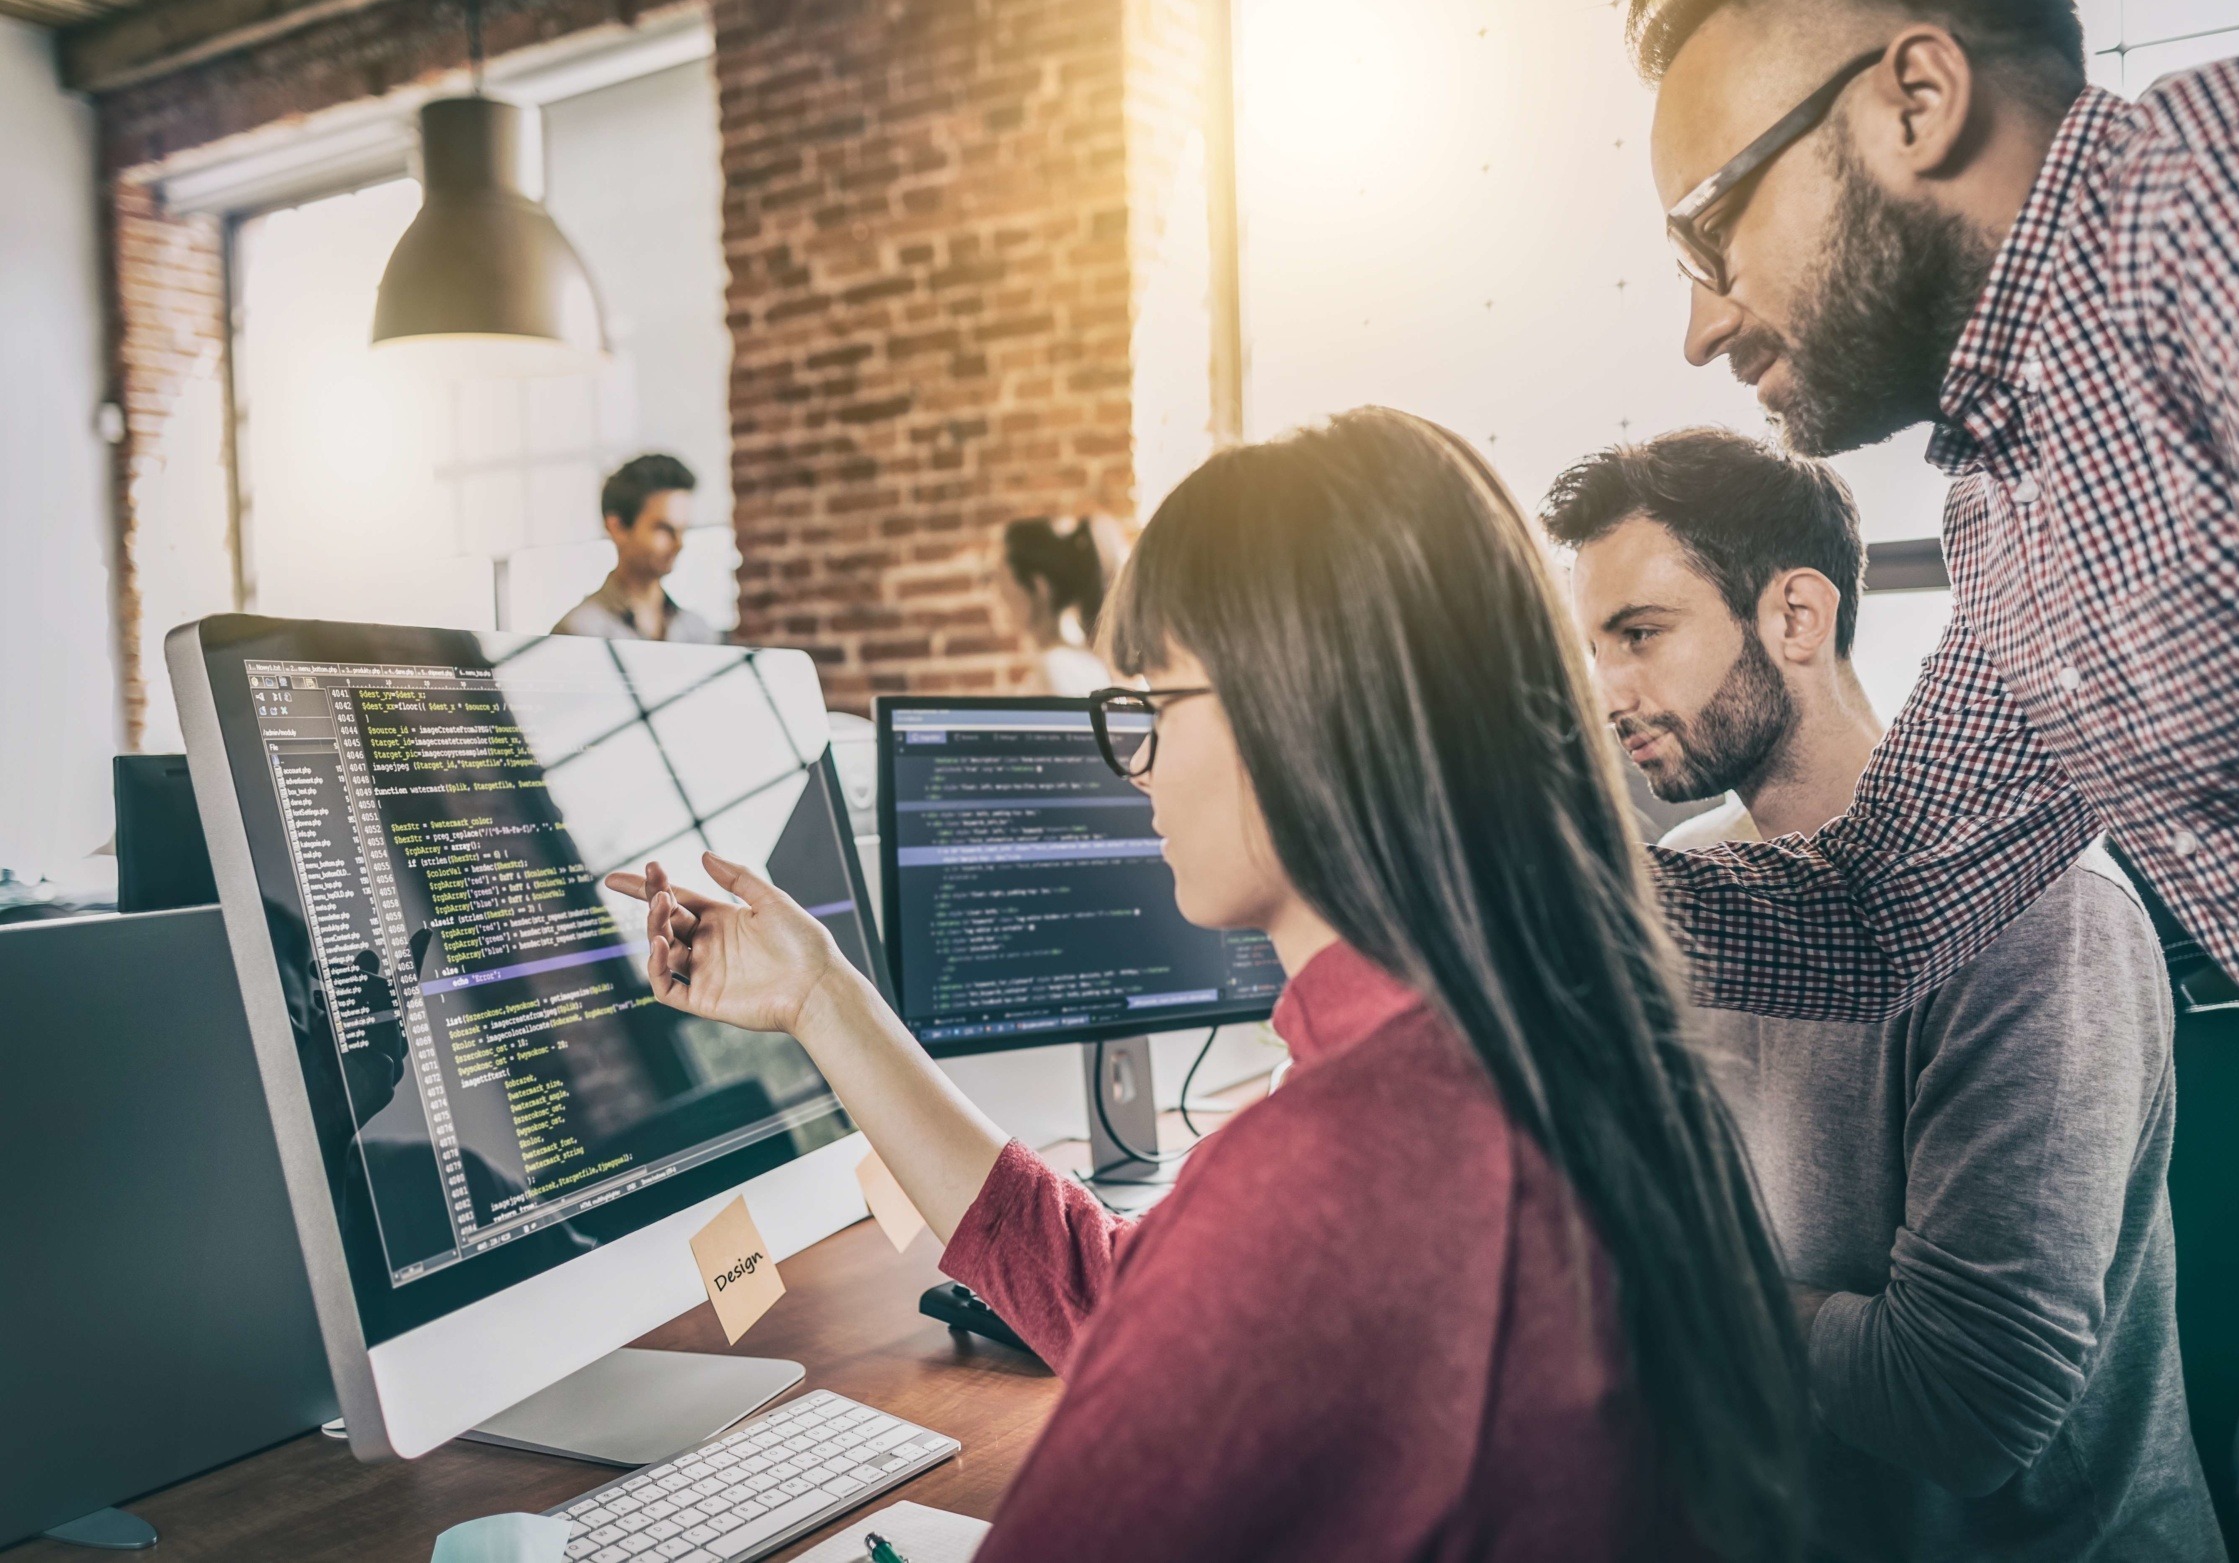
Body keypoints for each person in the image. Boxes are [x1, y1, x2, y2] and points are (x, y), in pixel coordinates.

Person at [1623, 0, 2239, 1557]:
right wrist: (1488, 888)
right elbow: (1884, 906)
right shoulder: (2026, 483)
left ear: (1914, 98)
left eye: (1710, 226)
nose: (1699, 325)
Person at [608, 407, 1809, 1562]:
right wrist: (822, 995)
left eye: (1152, 706)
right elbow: (1131, 1305)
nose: (1136, 769)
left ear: (1304, 717)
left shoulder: (1340, 1167)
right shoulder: (1554, 1045)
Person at [1546, 426, 2223, 1561]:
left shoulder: (2040, 912)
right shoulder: (1700, 890)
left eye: (1642, 635)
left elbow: (1961, 1405)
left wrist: (1659, 1289)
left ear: (1795, 617)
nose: (1608, 692)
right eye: (1593, 647)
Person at [554, 453, 722, 644]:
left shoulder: (699, 631)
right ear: (616, 528)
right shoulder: (577, 632)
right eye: (664, 529)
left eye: (682, 530)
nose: (679, 544)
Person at [996, 516, 1121, 694]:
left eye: (1005, 583)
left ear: (1039, 587)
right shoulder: (1075, 662)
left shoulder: (1056, 668)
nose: (1000, 596)